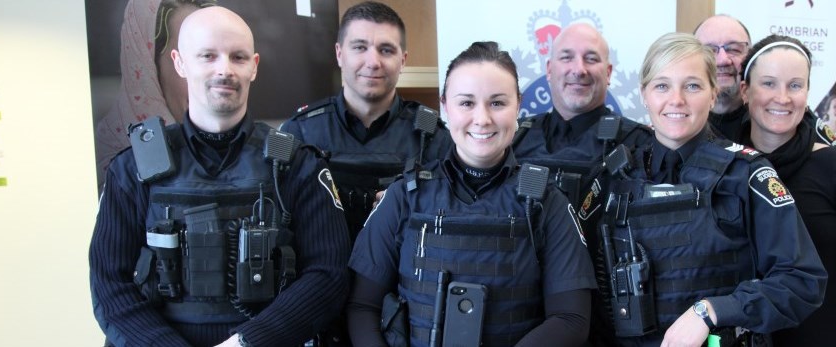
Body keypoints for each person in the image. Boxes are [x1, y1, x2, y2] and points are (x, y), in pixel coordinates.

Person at [89, 7, 351, 346]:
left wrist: (247, 342)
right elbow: (109, 284)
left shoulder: (297, 165)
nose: (224, 69)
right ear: (180, 62)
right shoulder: (133, 169)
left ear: (254, 66)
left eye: (238, 57)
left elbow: (328, 277)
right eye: (207, 56)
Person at [346, 41, 596, 347]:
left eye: (497, 103)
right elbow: (362, 307)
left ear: (518, 105)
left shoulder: (547, 201)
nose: (482, 119)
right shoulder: (405, 195)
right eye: (466, 103)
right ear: (445, 105)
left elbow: (571, 319)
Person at [591, 32, 826, 347]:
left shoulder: (746, 174)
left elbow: (802, 281)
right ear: (644, 94)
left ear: (714, 94)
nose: (677, 100)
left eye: (692, 86)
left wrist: (711, 310)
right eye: (662, 85)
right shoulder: (615, 177)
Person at [736, 34, 836, 347]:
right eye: (769, 83)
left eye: (795, 85)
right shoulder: (726, 164)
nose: (783, 97)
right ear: (745, 91)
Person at [279, 0, 452, 239]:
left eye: (386, 50)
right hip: (319, 270)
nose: (373, 62)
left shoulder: (434, 137)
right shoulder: (299, 132)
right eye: (360, 47)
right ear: (339, 54)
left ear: (403, 60)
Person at [694, 14, 836, 210]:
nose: (722, 59)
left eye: (734, 49)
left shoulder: (784, 116)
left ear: (749, 55)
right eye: (709, 50)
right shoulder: (684, 121)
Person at [511, 22, 652, 223]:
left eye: (591, 59)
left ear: (609, 72)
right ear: (549, 70)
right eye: (567, 57)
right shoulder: (513, 137)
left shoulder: (638, 143)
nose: (579, 69)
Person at [94, 0, 215, 186]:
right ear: (146, 65)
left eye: (208, 57)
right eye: (187, 60)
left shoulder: (239, 152)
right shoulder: (115, 164)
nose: (209, 81)